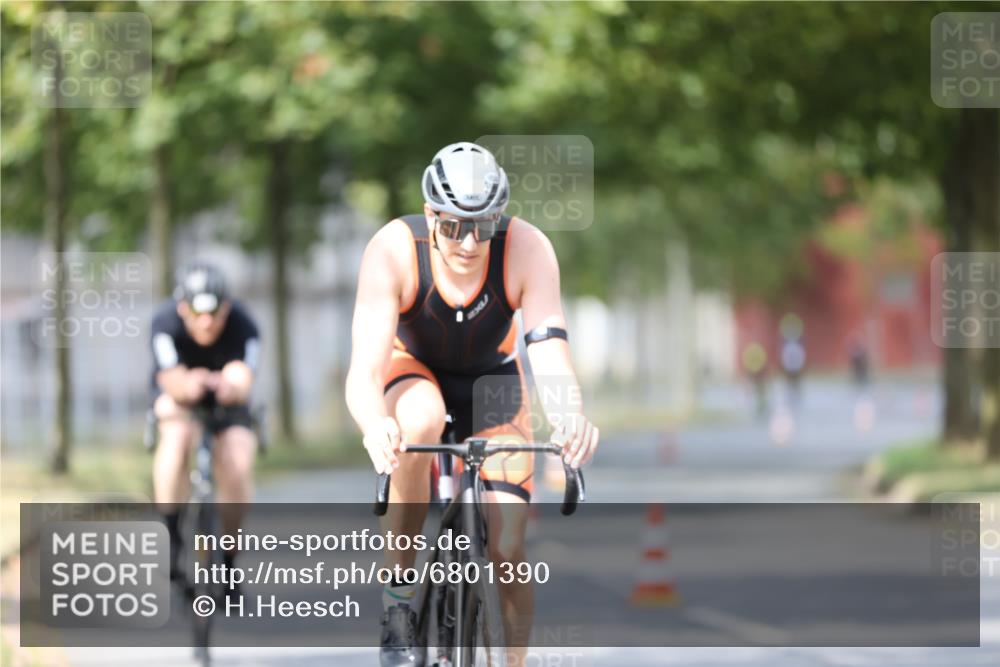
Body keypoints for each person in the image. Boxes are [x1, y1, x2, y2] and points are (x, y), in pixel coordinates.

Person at [345, 141, 600, 666]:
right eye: (453, 226)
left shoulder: (527, 248)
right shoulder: (393, 250)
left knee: (507, 547)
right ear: (429, 215)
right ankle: (398, 600)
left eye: (482, 226)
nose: (467, 242)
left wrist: (570, 415)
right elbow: (364, 372)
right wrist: (375, 426)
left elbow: (550, 355)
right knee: (421, 419)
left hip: (494, 380)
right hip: (412, 369)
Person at [150, 261, 260, 591]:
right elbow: (170, 378)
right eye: (199, 314)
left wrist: (229, 385)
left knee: (237, 463)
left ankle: (228, 561)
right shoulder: (164, 322)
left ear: (226, 308)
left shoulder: (244, 324)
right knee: (176, 435)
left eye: (215, 313)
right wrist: (190, 385)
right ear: (183, 309)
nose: (208, 323)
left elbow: (244, 377)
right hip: (180, 399)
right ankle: (171, 536)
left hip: (229, 404)